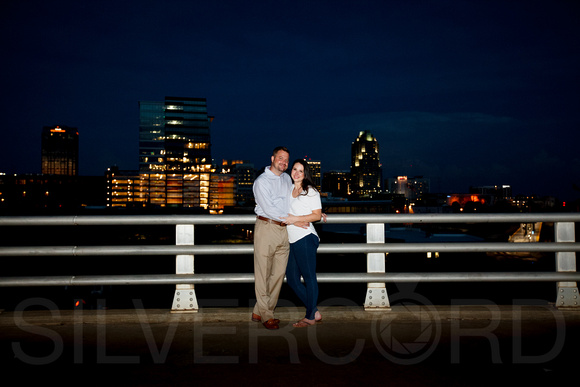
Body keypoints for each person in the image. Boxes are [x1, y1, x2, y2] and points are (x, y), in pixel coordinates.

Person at [251, 146, 293, 330]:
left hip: (284, 230)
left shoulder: (287, 178)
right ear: (272, 158)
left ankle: (258, 310)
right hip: (266, 227)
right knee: (263, 274)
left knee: (278, 274)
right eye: (280, 158)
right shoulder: (262, 181)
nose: (283, 162)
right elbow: (269, 209)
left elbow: (293, 201)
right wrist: (294, 220)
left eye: (286, 160)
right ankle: (267, 316)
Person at [281, 159, 323, 327]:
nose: (296, 173)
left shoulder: (310, 191)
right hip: (292, 239)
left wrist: (296, 219)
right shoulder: (289, 189)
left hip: (305, 237)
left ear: (305, 174)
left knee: (309, 277)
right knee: (292, 279)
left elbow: (316, 215)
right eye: (294, 169)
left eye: (300, 170)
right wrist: (293, 220)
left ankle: (310, 317)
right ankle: (314, 311)